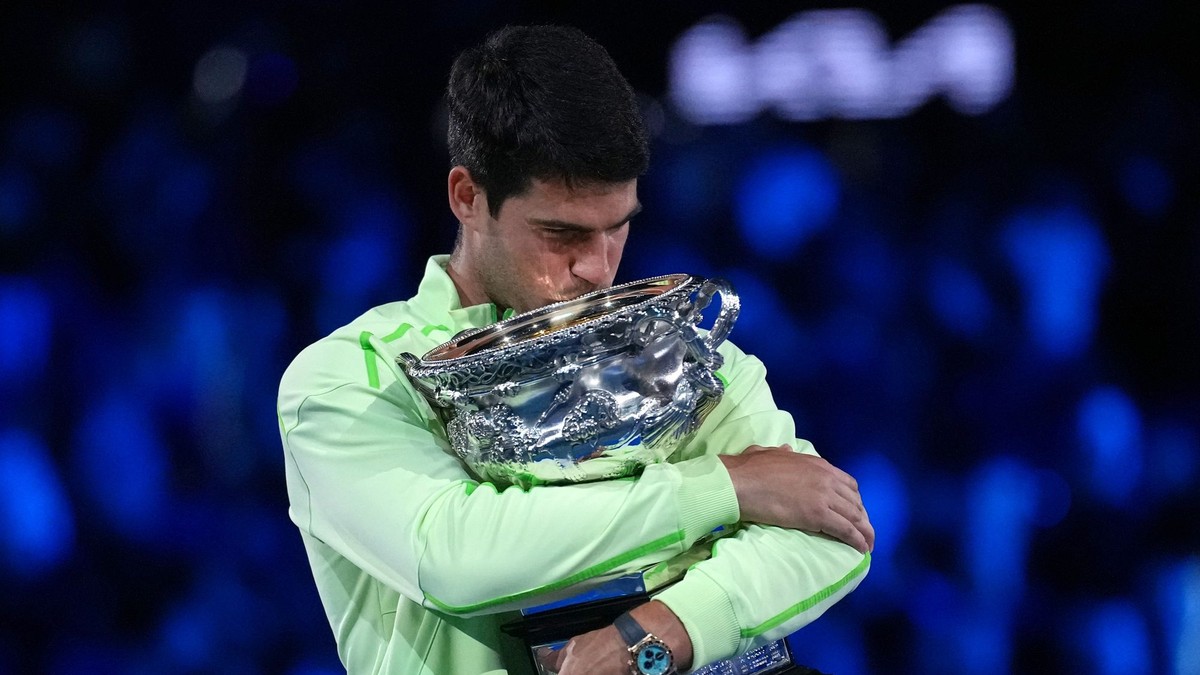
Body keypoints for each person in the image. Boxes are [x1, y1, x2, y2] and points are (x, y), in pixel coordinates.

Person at [278, 24, 874, 675]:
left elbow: (828, 525)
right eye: (561, 232)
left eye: (617, 229)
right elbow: (456, 556)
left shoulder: (679, 347)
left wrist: (657, 632)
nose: (596, 268)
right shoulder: (347, 378)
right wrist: (723, 487)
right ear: (468, 197)